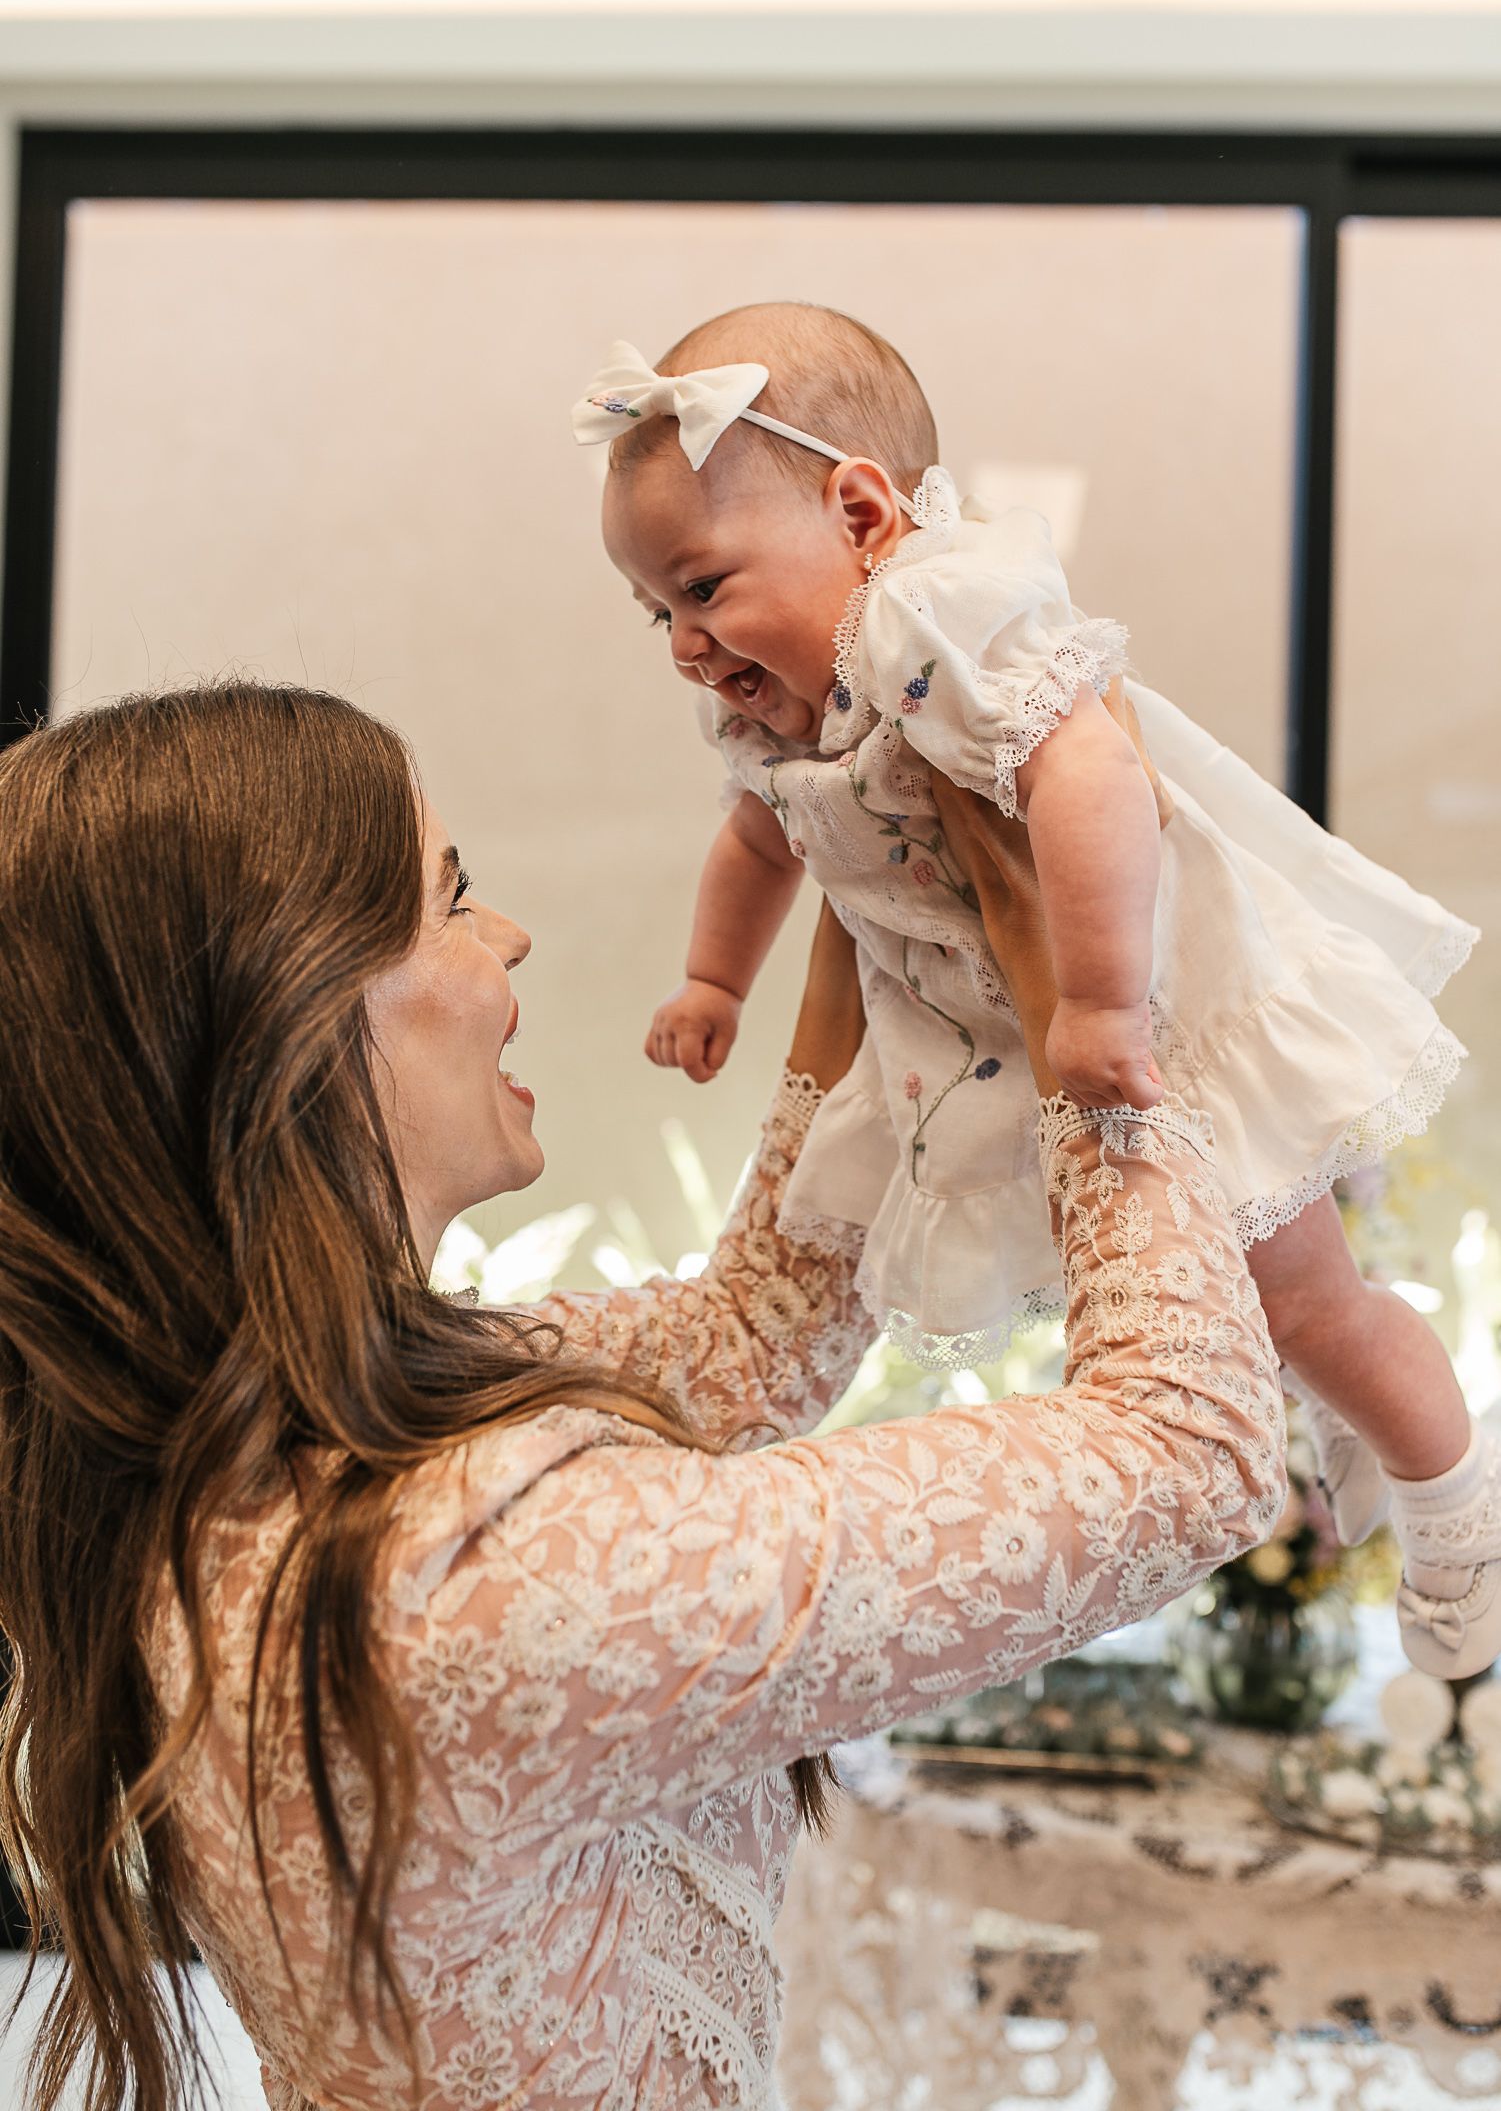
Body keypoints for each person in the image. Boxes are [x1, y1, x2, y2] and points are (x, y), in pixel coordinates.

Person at [0, 682, 1281, 2111]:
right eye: (451, 897)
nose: (508, 935)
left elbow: (752, 1337)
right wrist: (1086, 1009)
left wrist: (871, 913)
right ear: (293, 1009)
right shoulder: (469, 1568)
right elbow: (1193, 1446)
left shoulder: (255, 1444)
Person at [575, 302, 1500, 1677]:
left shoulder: (931, 619)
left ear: (863, 515)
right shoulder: (777, 702)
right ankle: (1355, 1421)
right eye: (658, 609)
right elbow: (760, 838)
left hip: (1158, 1010)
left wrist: (1106, 1002)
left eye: (703, 588)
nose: (683, 644)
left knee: (1309, 1303)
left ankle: (1454, 1501)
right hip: (992, 1031)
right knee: (1222, 1302)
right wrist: (715, 980)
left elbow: (1093, 774)